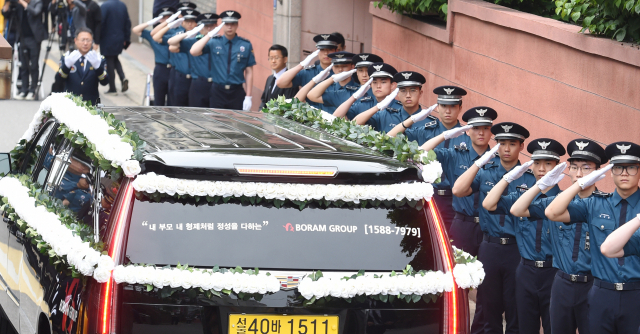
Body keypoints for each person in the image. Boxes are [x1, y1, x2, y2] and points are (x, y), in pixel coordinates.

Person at [509, 139, 607, 334]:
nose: (579, 174)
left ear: (597, 172)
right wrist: (540, 185)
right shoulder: (557, 203)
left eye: (586, 168)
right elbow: (517, 209)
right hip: (561, 284)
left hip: (592, 285)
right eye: (575, 168)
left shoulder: (606, 205)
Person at [546, 141, 640, 334]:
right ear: (610, 172)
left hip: (636, 294)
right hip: (601, 294)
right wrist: (580, 183)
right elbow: (552, 213)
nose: (624, 173)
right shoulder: (595, 204)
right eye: (618, 168)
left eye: (630, 168)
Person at [418, 107, 497, 334]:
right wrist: (446, 135)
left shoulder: (496, 160)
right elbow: (422, 152)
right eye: (476, 128)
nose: (481, 133)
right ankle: (454, 325)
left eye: (486, 129)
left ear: (491, 132)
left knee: (486, 285)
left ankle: (479, 329)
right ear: (467, 131)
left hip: (487, 225)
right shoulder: (456, 153)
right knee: (456, 278)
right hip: (461, 223)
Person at [452, 122, 536, 334]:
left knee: (514, 307)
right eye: (501, 143)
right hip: (488, 246)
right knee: (488, 307)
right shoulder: (486, 171)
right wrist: (478, 164)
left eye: (512, 144)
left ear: (521, 146)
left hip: (516, 250)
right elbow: (458, 190)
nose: (506, 149)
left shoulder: (530, 177)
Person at [482, 139, 566, 334]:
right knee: (524, 328)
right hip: (525, 271)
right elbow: (489, 204)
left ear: (557, 168)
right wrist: (507, 179)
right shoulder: (521, 199)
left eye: (548, 164)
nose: (542, 169)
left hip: (553, 272)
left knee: (553, 327)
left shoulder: (564, 201)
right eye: (537, 163)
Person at [388, 85, 468, 231]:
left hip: (455, 203)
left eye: (453, 106)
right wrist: (410, 120)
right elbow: (389, 138)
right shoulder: (426, 131)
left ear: (460, 108)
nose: (448, 111)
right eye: (443, 106)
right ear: (437, 107)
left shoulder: (467, 139)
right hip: (427, 195)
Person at [190, 10, 255, 110]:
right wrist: (209, 35)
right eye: (226, 24)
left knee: (236, 123)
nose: (229, 27)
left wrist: (248, 96)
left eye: (232, 24)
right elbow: (194, 51)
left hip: (236, 91)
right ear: (222, 26)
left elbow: (249, 71)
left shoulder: (245, 45)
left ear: (237, 25)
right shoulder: (214, 42)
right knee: (216, 123)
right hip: (217, 91)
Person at [168, 12, 220, 107]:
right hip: (199, 83)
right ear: (200, 28)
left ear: (216, 26)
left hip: (217, 84)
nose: (209, 29)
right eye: (205, 26)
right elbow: (171, 42)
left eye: (212, 26)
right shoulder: (194, 41)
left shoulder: (221, 42)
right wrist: (189, 33)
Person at [275, 33, 339, 110]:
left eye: (330, 49)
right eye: (322, 49)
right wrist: (301, 65)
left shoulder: (341, 73)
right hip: (311, 118)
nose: (326, 53)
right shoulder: (309, 72)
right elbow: (280, 83)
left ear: (336, 51)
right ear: (317, 51)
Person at [153, 5, 199, 106]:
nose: (190, 24)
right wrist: (169, 24)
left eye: (192, 21)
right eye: (187, 21)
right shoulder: (177, 34)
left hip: (196, 78)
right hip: (180, 75)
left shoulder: (200, 37)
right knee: (176, 106)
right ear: (182, 22)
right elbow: (156, 37)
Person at [306, 53, 382, 113]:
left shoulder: (382, 94)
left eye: (368, 71)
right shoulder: (348, 92)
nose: (364, 75)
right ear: (356, 72)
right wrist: (332, 79)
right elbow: (312, 95)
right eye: (360, 70)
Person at [2, 0, 47, 100]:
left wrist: (23, 3)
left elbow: (35, 12)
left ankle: (33, 90)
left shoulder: (37, 2)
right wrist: (8, 3)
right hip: (22, 38)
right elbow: (6, 14)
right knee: (23, 65)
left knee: (34, 65)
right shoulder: (18, 5)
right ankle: (24, 90)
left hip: (34, 39)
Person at [132, 7, 174, 106]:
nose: (167, 20)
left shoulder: (175, 32)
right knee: (158, 100)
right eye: (164, 18)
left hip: (174, 70)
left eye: (169, 17)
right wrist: (150, 22)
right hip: (161, 69)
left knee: (173, 101)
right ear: (159, 19)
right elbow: (136, 30)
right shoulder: (152, 34)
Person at [54, 27, 108, 105]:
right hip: (70, 104)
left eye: (88, 40)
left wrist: (98, 67)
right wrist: (66, 66)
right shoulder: (68, 57)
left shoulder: (98, 59)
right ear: (76, 40)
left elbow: (105, 82)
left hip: (91, 105)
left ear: (92, 41)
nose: (85, 43)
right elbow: (58, 80)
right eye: (82, 40)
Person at [332, 63, 400, 123]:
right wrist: (354, 97)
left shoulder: (399, 108)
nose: (378, 86)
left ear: (393, 85)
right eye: (375, 82)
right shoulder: (364, 104)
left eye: (383, 82)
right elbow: (335, 118)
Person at [100, 0, 131, 94]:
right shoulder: (122, 5)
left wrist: (97, 38)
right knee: (114, 58)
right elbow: (127, 22)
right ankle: (123, 78)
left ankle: (112, 88)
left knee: (109, 62)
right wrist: (126, 38)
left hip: (107, 38)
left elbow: (101, 23)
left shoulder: (105, 6)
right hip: (119, 38)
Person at [259, 44, 298, 109]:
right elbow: (264, 100)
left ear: (285, 59)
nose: (273, 61)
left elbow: (289, 104)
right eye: (271, 58)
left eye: (276, 58)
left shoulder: (290, 79)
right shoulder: (270, 78)